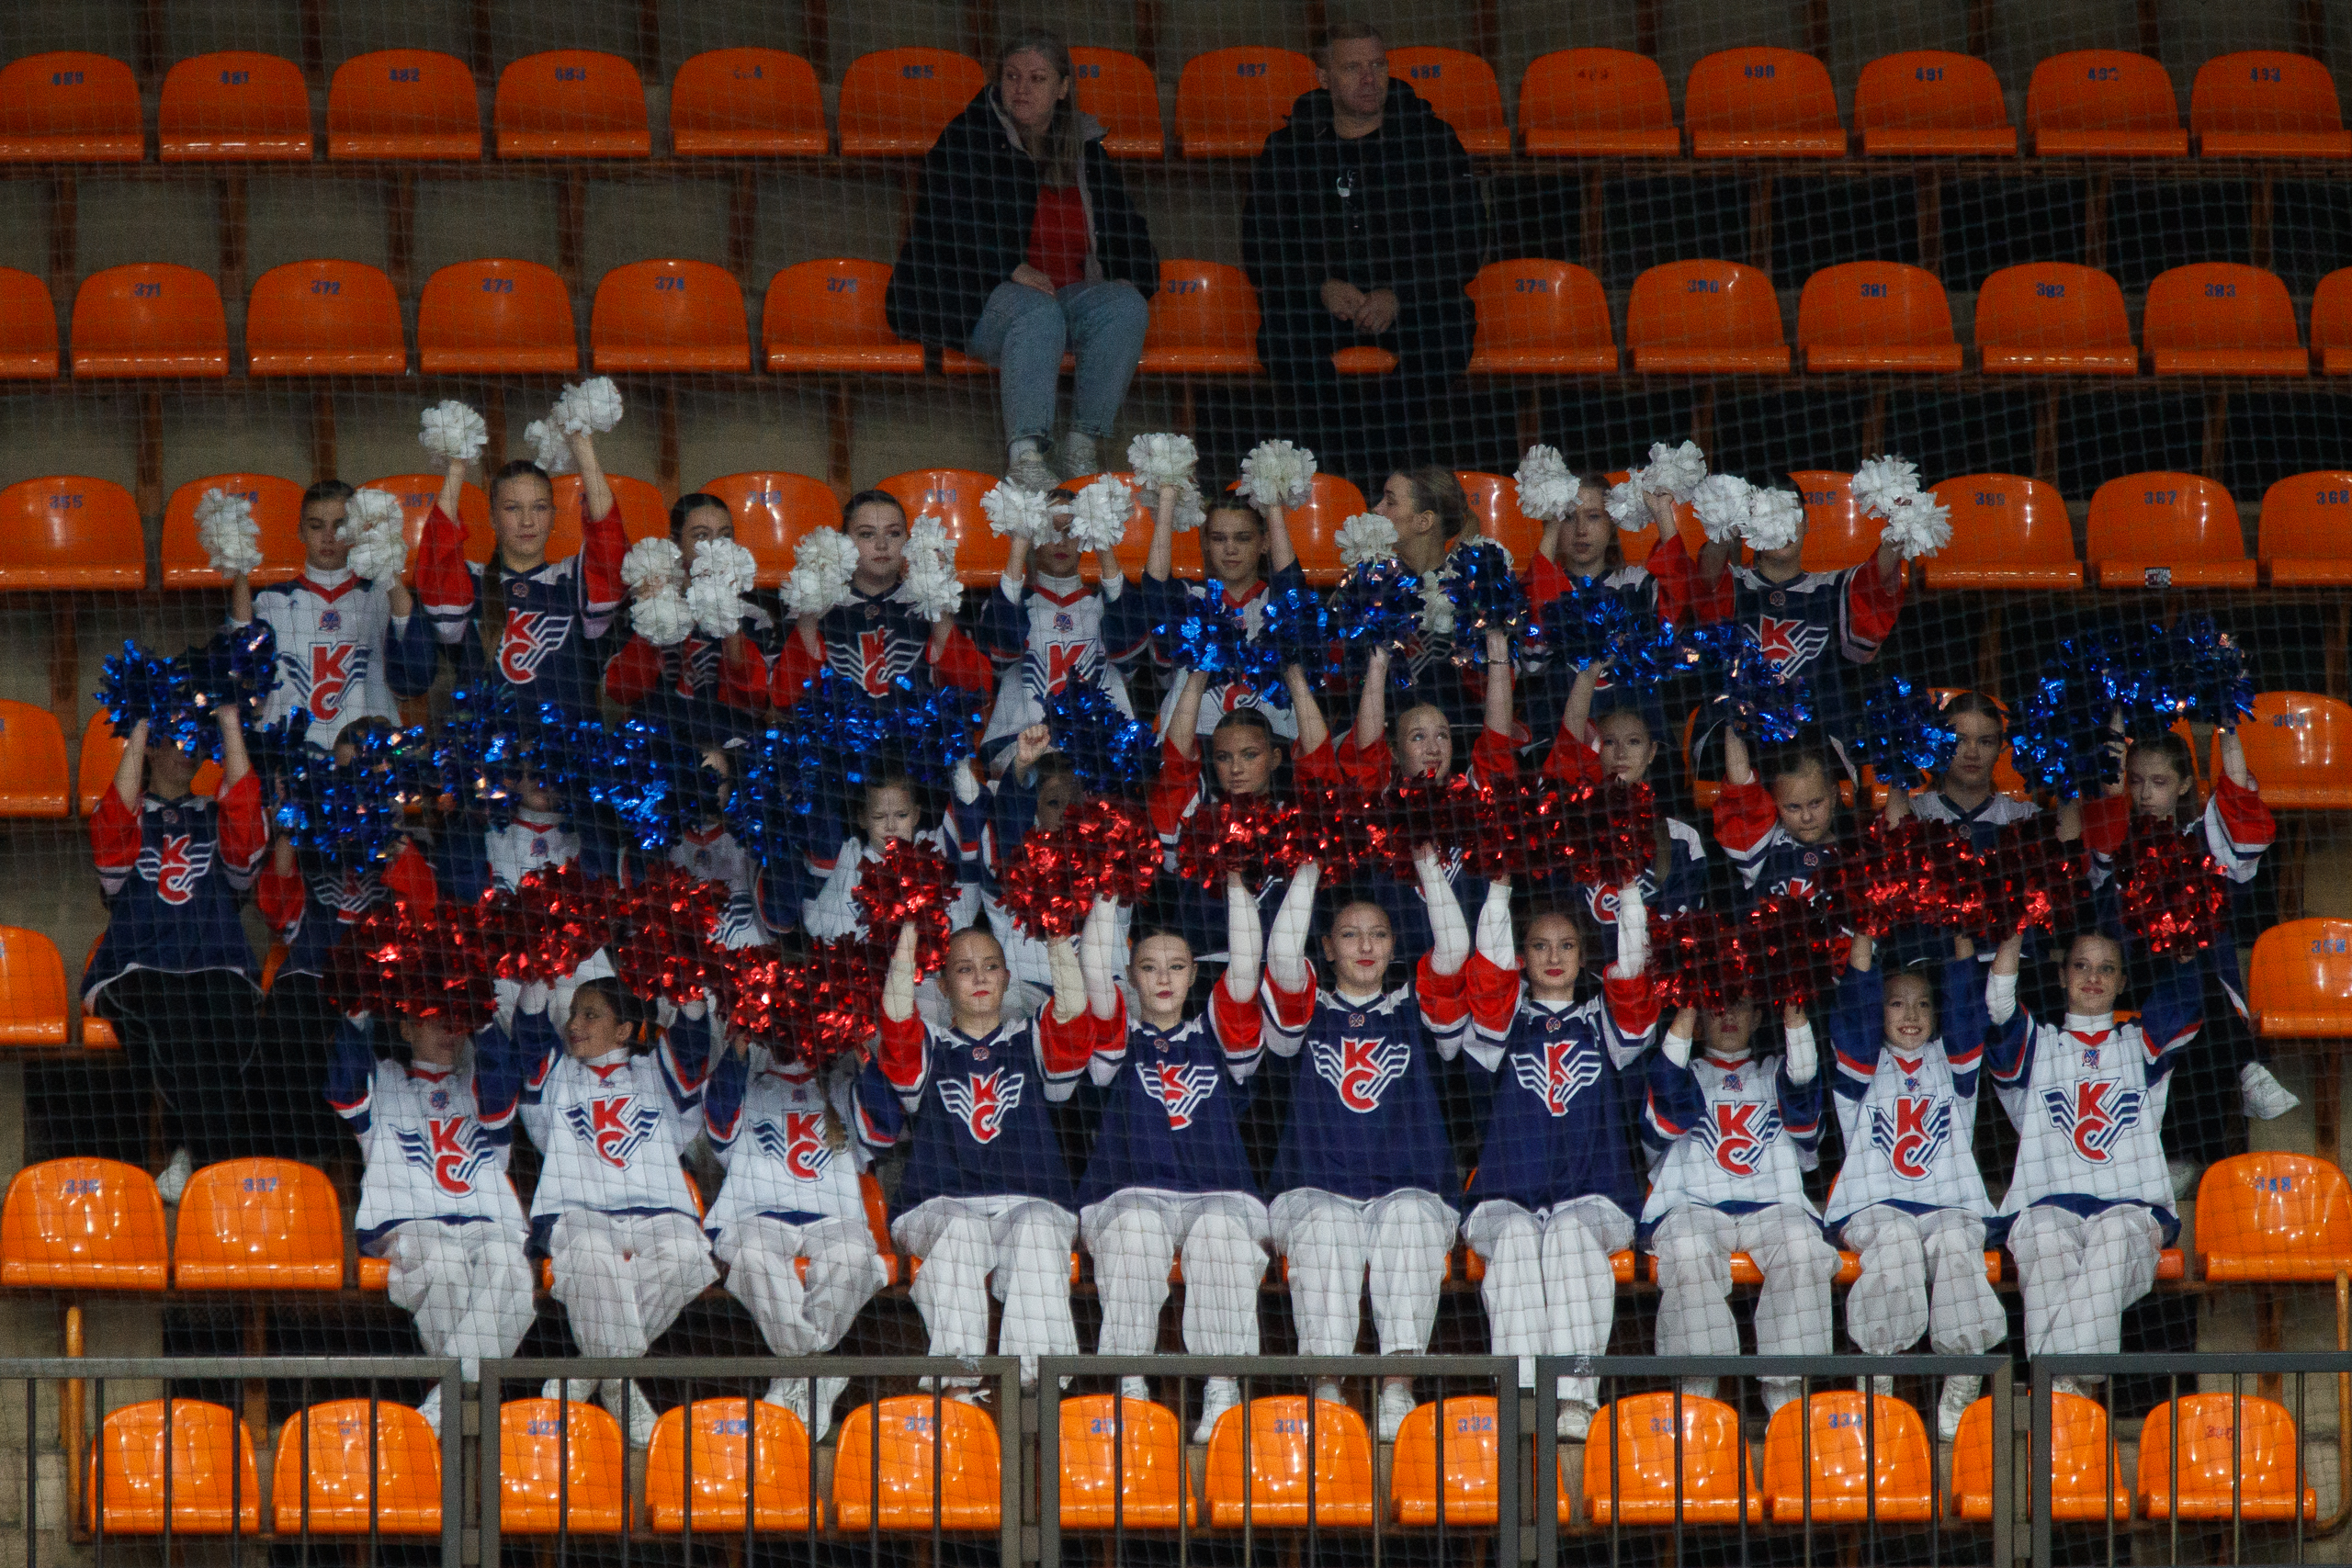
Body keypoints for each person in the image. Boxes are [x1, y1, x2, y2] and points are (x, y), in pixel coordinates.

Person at [885, 31, 1157, 488]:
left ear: (1063, 88)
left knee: (1126, 306)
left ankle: (1081, 447)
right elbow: (944, 224)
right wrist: (1008, 266)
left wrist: (1134, 276)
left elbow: (1128, 227)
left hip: (1064, 294)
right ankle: (1026, 458)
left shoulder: (1085, 148)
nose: (1021, 89)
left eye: (1036, 78)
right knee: (1038, 312)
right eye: (1011, 77)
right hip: (979, 297)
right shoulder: (967, 137)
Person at [1260, 854, 1471, 1441]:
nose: (1366, 945)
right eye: (1350, 934)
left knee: (1411, 1218)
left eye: (1379, 934)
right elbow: (1281, 958)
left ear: (1395, 945)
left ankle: (1397, 1388)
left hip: (1406, 1188)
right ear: (1327, 947)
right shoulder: (1305, 1010)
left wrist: (1427, 864)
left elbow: (1454, 951)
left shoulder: (1415, 1007)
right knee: (1327, 1225)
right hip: (1314, 1188)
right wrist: (1307, 868)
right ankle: (1326, 1390)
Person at [1241, 21, 1481, 487]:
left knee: (1449, 334)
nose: (1370, 78)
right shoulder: (1288, 147)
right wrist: (1320, 286)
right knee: (1282, 338)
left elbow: (1466, 240)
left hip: (1412, 303)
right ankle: (1340, 473)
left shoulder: (1431, 140)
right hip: (1321, 304)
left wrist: (1398, 293)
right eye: (1353, 68)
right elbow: (1260, 245)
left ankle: (1385, 472)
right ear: (1324, 77)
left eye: (1378, 65)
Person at [1460, 884, 1660, 1438]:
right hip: (1504, 1197)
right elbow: (1490, 975)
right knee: (1518, 1239)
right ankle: (1523, 1400)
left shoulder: (1606, 1022)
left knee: (1570, 1235)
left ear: (1584, 954)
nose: (1553, 957)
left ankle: (1574, 1399)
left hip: (1596, 1197)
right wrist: (1498, 888)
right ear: (1521, 956)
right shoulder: (1500, 1022)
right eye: (1540, 946)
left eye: (1567, 945)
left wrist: (1628, 891)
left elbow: (1633, 977)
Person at [864, 922, 1095, 1393]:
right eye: (964, 969)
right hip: (939, 1202)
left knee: (1036, 1232)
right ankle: (957, 1389)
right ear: (942, 985)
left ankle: (1033, 1393)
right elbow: (895, 1016)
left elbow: (1074, 1010)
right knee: (962, 1233)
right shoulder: (928, 1045)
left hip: (1029, 1200)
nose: (980, 977)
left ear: (1008, 977)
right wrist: (908, 925)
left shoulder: (1031, 1038)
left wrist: (1055, 931)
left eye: (991, 967)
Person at [1075, 883, 1268, 1441]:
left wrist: (1235, 882)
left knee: (1222, 1235)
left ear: (1193, 975)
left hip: (1217, 1193)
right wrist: (1107, 885)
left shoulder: (1219, 1031)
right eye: (1149, 967)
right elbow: (1094, 969)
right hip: (1130, 1192)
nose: (1163, 978)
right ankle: (1130, 1385)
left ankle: (1222, 1390)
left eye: (1177, 967)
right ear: (1131, 977)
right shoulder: (1116, 1034)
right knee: (1136, 1231)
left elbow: (1246, 965)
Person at [1986, 928, 2203, 1398]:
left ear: (2123, 981)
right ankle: (2070, 1393)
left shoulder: (2140, 1043)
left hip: (2130, 1212)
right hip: (2047, 1208)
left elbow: (2183, 998)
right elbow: (2000, 1007)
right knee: (2043, 1238)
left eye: (2107, 968)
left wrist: (2186, 950)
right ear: (2061, 975)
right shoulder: (2038, 1045)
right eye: (2081, 965)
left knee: (2113, 1234)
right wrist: (2012, 927)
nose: (2093, 977)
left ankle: (2052, 1387)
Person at [518, 976, 717, 1447]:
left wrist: (686, 978)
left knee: (688, 1257)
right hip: (579, 1210)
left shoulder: (656, 1072)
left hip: (659, 1212)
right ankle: (621, 1391)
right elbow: (529, 1034)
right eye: (573, 1013)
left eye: (591, 1015)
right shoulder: (557, 1074)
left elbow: (691, 1045)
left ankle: (585, 1378)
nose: (574, 1024)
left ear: (624, 1030)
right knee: (592, 1258)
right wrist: (534, 971)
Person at [325, 993, 537, 1436]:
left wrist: (484, 1020)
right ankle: (473, 1397)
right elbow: (344, 1083)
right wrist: (356, 1011)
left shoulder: (479, 1080)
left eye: (457, 1019)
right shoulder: (384, 1079)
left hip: (485, 1224)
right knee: (445, 1266)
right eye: (432, 1018)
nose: (448, 1028)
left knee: (512, 1268)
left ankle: (442, 1405)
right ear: (405, 1028)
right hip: (412, 1224)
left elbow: (499, 1085)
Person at [1826, 933, 2003, 1441]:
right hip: (1876, 1206)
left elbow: (1967, 1011)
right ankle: (1879, 1379)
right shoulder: (1860, 1066)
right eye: (1896, 1003)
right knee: (1898, 1242)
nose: (1911, 1014)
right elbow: (1855, 1010)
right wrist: (1863, 931)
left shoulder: (1954, 1063)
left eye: (1923, 1003)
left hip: (1948, 1207)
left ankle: (1962, 1380)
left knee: (1956, 1246)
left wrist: (1965, 932)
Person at [85, 708, 266, 1201]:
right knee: (176, 1014)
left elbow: (247, 849)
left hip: (216, 962)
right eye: (175, 737)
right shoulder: (127, 812)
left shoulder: (217, 814)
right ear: (151, 747)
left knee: (226, 1015)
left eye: (195, 737)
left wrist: (229, 720)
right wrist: (140, 723)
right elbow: (109, 844)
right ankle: (219, 1166)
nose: (189, 747)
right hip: (136, 966)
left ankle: (190, 1155)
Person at [2080, 728, 2295, 1135]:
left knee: (2195, 983)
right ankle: (2247, 1065)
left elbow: (2238, 795)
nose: (2145, 793)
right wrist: (2114, 710)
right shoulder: (2116, 833)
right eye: (2136, 781)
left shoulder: (2203, 835)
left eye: (2159, 782)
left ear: (2183, 785)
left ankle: (2184, 1150)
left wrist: (2227, 720)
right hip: (2128, 971)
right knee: (2194, 986)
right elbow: (2109, 781)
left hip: (2194, 972)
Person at [1640, 998, 1838, 1415]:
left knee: (1804, 1248)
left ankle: (1788, 1402)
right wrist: (1685, 1006)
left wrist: (1795, 1006)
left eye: (1740, 1004)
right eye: (1713, 1005)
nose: (1727, 1015)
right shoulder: (1682, 1072)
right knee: (1687, 1248)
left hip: (1772, 1208)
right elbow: (1662, 1119)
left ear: (1760, 1016)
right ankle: (1697, 1397)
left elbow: (1804, 1095)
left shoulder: (1777, 1073)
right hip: (1694, 1207)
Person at [704, 1030, 884, 1441]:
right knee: (753, 1256)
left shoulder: (844, 1084)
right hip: (757, 1216)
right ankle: (814, 1371)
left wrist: (860, 1046)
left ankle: (792, 1375)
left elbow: (884, 1130)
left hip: (833, 1217)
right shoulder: (746, 1080)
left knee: (854, 1256)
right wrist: (740, 1041)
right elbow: (717, 1121)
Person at [1647, 485, 1906, 770]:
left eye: (1791, 513)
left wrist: (1903, 525)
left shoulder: (1835, 587)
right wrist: (1722, 527)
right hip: (1732, 743)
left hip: (1816, 745)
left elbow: (1875, 579)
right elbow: (1702, 581)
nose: (1781, 524)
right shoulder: (1729, 583)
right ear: (1747, 523)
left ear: (1807, 522)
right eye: (1768, 513)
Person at [414, 431, 624, 722]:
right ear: (491, 517)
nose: (527, 521)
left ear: (553, 516)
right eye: (512, 508)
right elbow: (436, 554)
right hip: (483, 747)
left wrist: (583, 447)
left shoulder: (572, 579)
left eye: (539, 507)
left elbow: (609, 542)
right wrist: (457, 466)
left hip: (568, 746)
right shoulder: (471, 581)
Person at [1341, 629, 1517, 960]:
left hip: (1475, 971)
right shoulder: (1381, 801)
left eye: (1443, 736)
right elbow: (1366, 753)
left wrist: (1497, 654)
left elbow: (1497, 741)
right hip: (1398, 971)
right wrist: (1378, 664)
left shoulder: (1476, 798)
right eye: (1418, 737)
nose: (1434, 748)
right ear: (1394, 751)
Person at [1149, 665, 1338, 960]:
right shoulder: (1195, 815)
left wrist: (1294, 674)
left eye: (1250, 754)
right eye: (1224, 757)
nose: (1236, 768)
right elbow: (1175, 763)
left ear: (1275, 757)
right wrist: (1199, 669)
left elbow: (1320, 764)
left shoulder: (1299, 818)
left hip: (1289, 975)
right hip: (1208, 973)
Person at [229, 479, 435, 749]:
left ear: (356, 529)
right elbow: (238, 668)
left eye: (339, 525)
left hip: (368, 756)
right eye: (316, 526)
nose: (328, 537)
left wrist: (388, 567)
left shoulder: (381, 596)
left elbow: (419, 674)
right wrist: (239, 571)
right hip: (290, 757)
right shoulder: (271, 600)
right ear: (300, 531)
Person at [973, 488, 1151, 773]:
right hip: (1022, 745)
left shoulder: (1105, 605)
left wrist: (1103, 542)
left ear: (1085, 535)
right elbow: (1003, 644)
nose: (1060, 541)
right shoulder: (1015, 604)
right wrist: (1019, 543)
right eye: (1049, 530)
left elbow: (1128, 652)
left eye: (1071, 530)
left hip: (1099, 745)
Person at [1538, 661, 1707, 962]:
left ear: (1652, 752)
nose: (1620, 753)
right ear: (1594, 749)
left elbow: (1678, 941)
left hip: (1648, 983)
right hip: (1578, 981)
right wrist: (1588, 675)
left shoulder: (1682, 839)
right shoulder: (1569, 824)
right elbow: (1567, 749)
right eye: (1609, 742)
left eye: (1633, 741)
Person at [771, 491, 993, 705]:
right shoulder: (823, 609)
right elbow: (786, 698)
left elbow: (974, 689)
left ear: (909, 541)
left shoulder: (927, 606)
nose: (882, 545)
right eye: (867, 534)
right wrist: (809, 607)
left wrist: (938, 598)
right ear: (842, 542)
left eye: (893, 533)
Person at [603, 492, 776, 744]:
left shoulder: (754, 614)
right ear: (675, 544)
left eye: (725, 536)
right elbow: (621, 692)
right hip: (658, 739)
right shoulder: (639, 604)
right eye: (701, 536)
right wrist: (650, 617)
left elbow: (755, 700)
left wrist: (730, 620)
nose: (713, 548)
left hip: (729, 738)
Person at [1134, 489, 1306, 741]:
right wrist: (1168, 495)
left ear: (1265, 542)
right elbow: (1154, 589)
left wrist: (1272, 502)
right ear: (1205, 542)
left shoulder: (1276, 603)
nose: (1230, 549)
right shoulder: (1192, 598)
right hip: (1193, 743)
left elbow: (1292, 583)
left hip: (1270, 745)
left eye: (1243, 538)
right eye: (1218, 538)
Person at [1713, 730, 1844, 905]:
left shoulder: (1853, 855)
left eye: (1815, 803)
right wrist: (1734, 721)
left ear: (1833, 797)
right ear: (1775, 804)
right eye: (1793, 807)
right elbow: (1740, 786)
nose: (1806, 817)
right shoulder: (1764, 843)